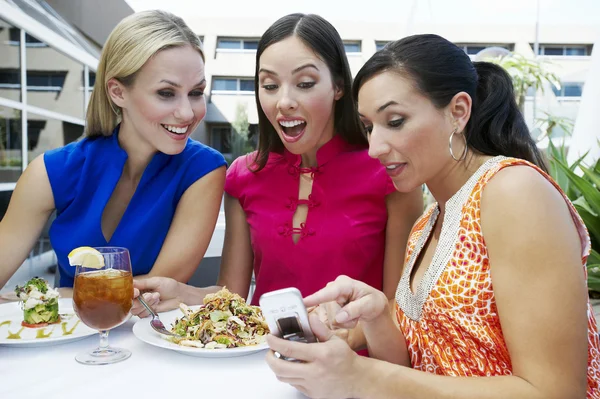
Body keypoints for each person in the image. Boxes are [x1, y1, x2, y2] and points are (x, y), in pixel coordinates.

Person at [264, 34, 600, 399]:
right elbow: (421, 371)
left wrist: (362, 374)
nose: (375, 148)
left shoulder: (513, 191)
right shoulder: (428, 223)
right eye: (369, 127)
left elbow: (555, 391)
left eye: (395, 121)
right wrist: (377, 317)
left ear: (458, 112)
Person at [131, 14, 422, 314]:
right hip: (263, 356)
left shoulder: (389, 171)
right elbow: (231, 297)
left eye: (305, 83)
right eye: (269, 85)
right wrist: (178, 292)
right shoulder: (243, 176)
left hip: (351, 357)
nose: (284, 102)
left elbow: (397, 306)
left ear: (338, 86)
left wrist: (344, 331)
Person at [0, 10, 226, 291]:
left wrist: (54, 297)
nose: (187, 112)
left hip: (147, 334)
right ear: (118, 92)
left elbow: (158, 289)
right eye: (166, 93)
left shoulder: (203, 169)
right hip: (65, 333)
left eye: (196, 92)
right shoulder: (50, 171)